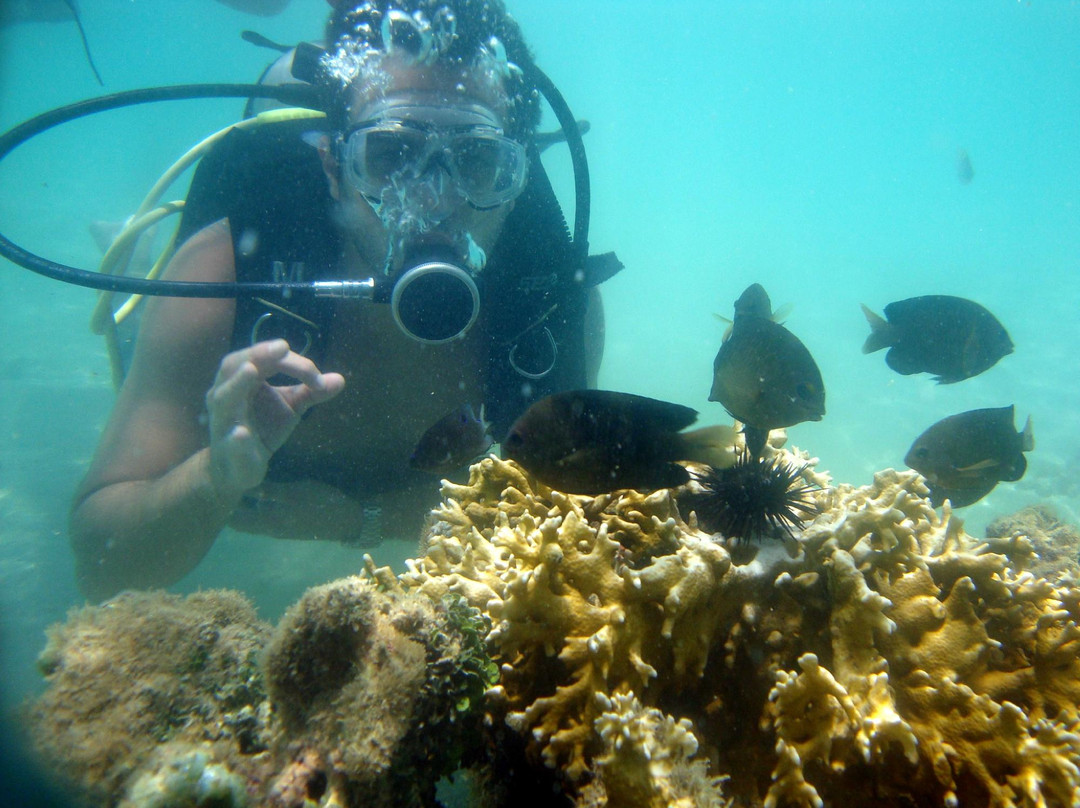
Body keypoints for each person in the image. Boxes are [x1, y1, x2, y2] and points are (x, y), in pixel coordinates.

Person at [70, 0, 610, 601]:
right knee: (149, 306)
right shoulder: (224, 273)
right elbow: (102, 565)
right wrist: (213, 478)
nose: (431, 200)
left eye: (477, 160)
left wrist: (361, 523)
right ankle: (142, 247)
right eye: (390, 155)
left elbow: (559, 523)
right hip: (212, 293)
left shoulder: (552, 314)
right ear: (332, 166)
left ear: (514, 184)